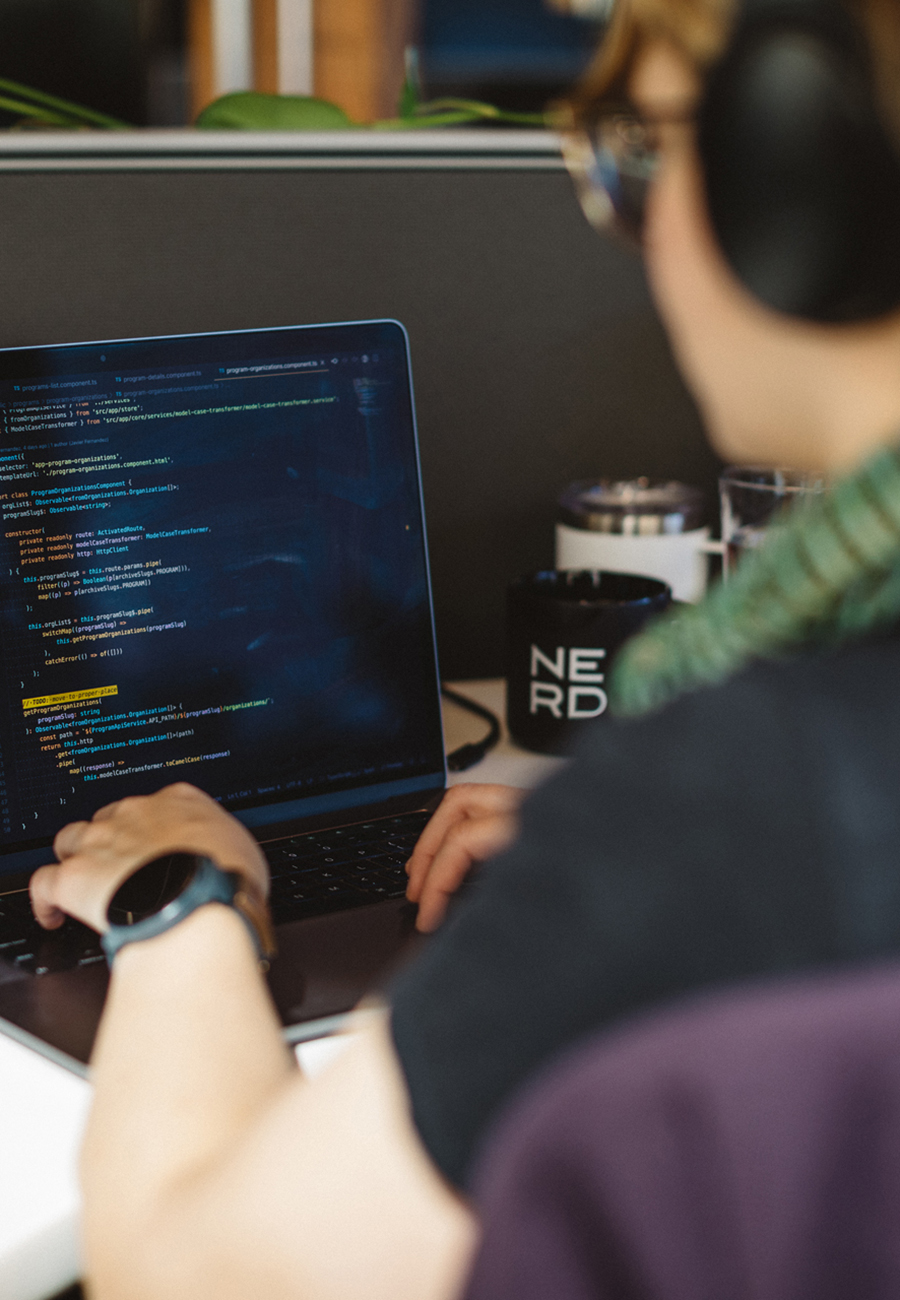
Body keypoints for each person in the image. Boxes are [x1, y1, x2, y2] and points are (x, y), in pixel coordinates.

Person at [28, 0, 900, 1295]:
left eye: (632, 162)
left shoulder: (755, 796)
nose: (632, 235)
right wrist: (596, 861)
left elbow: (199, 1269)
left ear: (793, 173)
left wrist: (183, 906)